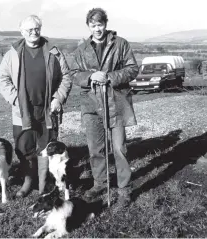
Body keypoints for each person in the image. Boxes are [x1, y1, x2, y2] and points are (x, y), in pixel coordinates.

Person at [0, 15, 72, 197]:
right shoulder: (13, 53)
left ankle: (44, 184)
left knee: (46, 147)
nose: (33, 32)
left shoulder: (53, 52)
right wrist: (15, 99)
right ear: (22, 32)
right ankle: (28, 181)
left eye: (36, 28)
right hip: (22, 112)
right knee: (24, 147)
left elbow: (66, 77)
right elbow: (2, 79)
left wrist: (58, 99)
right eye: (29, 30)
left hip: (47, 109)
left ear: (40, 29)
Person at [71, 8, 139, 207]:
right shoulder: (81, 49)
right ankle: (100, 183)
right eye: (93, 25)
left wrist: (109, 76)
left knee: (119, 148)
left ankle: (124, 188)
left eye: (100, 24)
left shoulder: (121, 44)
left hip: (116, 103)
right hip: (91, 105)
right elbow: (74, 74)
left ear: (106, 24)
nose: (97, 28)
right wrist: (90, 76)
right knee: (95, 149)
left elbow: (132, 69)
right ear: (88, 26)